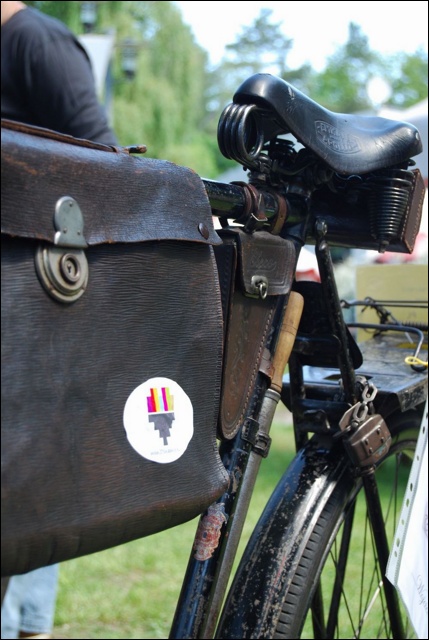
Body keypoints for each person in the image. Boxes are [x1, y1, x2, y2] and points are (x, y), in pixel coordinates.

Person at [1, 2, 118, 638]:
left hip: (32, 309)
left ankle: (27, 624)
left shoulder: (35, 42)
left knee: (23, 478)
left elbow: (105, 164)